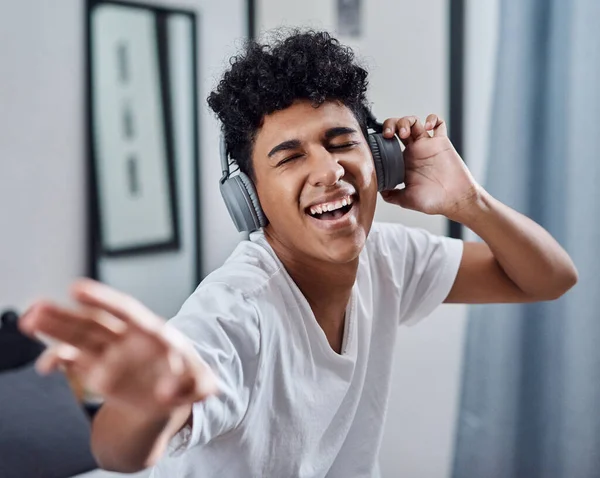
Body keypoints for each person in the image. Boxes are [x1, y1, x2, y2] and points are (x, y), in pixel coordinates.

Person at [19, 30, 577, 477]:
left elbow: (549, 278)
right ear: (250, 198)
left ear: (382, 160)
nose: (328, 171)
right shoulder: (237, 310)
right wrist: (152, 403)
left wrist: (468, 201)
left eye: (341, 143)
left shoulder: (389, 256)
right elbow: (118, 453)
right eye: (289, 158)